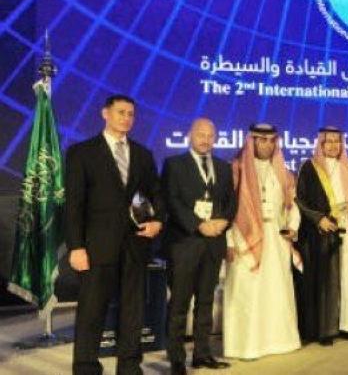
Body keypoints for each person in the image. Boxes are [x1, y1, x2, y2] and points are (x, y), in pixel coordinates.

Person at [65, 94, 162, 375]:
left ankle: (129, 367)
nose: (126, 118)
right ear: (105, 113)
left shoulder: (143, 154)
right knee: (91, 312)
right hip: (96, 248)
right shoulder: (82, 152)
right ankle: (86, 368)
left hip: (135, 245)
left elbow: (156, 194)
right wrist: (76, 247)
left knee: (132, 312)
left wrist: (158, 221)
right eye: (121, 112)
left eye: (131, 114)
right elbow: (73, 205)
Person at [162, 118, 236, 373]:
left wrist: (223, 221)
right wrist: (198, 225)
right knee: (179, 304)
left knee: (205, 302)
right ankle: (176, 359)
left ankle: (202, 354)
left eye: (210, 135)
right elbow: (172, 201)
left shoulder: (224, 167)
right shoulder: (174, 164)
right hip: (185, 243)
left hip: (214, 244)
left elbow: (231, 202)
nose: (205, 140)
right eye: (200, 135)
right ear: (190, 136)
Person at [223, 123, 301, 359]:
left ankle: (279, 342)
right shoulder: (236, 170)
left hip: (275, 238)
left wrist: (292, 226)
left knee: (276, 291)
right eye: (261, 140)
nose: (267, 145)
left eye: (271, 141)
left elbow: (292, 206)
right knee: (247, 292)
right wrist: (229, 241)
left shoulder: (284, 173)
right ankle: (246, 346)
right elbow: (227, 209)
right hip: (243, 236)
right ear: (252, 141)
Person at [295, 127, 348, 344]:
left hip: (347, 229)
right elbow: (300, 200)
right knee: (327, 281)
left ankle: (347, 325)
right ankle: (326, 330)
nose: (333, 146)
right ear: (321, 144)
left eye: (337, 141)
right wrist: (319, 219)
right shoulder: (309, 167)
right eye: (328, 142)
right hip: (322, 232)